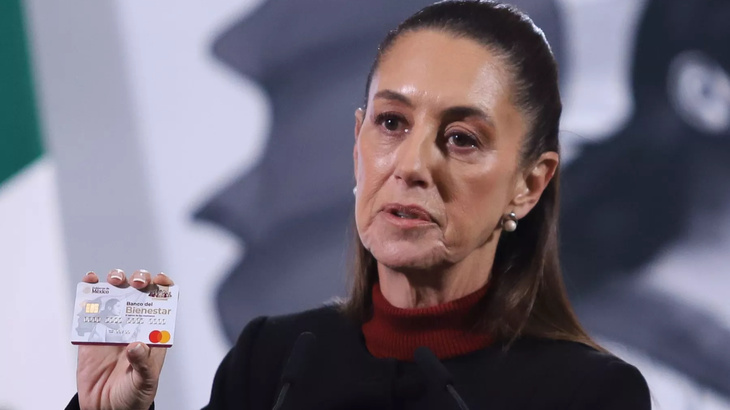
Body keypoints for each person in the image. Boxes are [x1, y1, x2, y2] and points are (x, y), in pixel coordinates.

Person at [66, 2, 650, 409]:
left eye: (461, 138)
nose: (411, 165)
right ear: (356, 142)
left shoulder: (591, 395)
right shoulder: (270, 359)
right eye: (391, 123)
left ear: (529, 183)